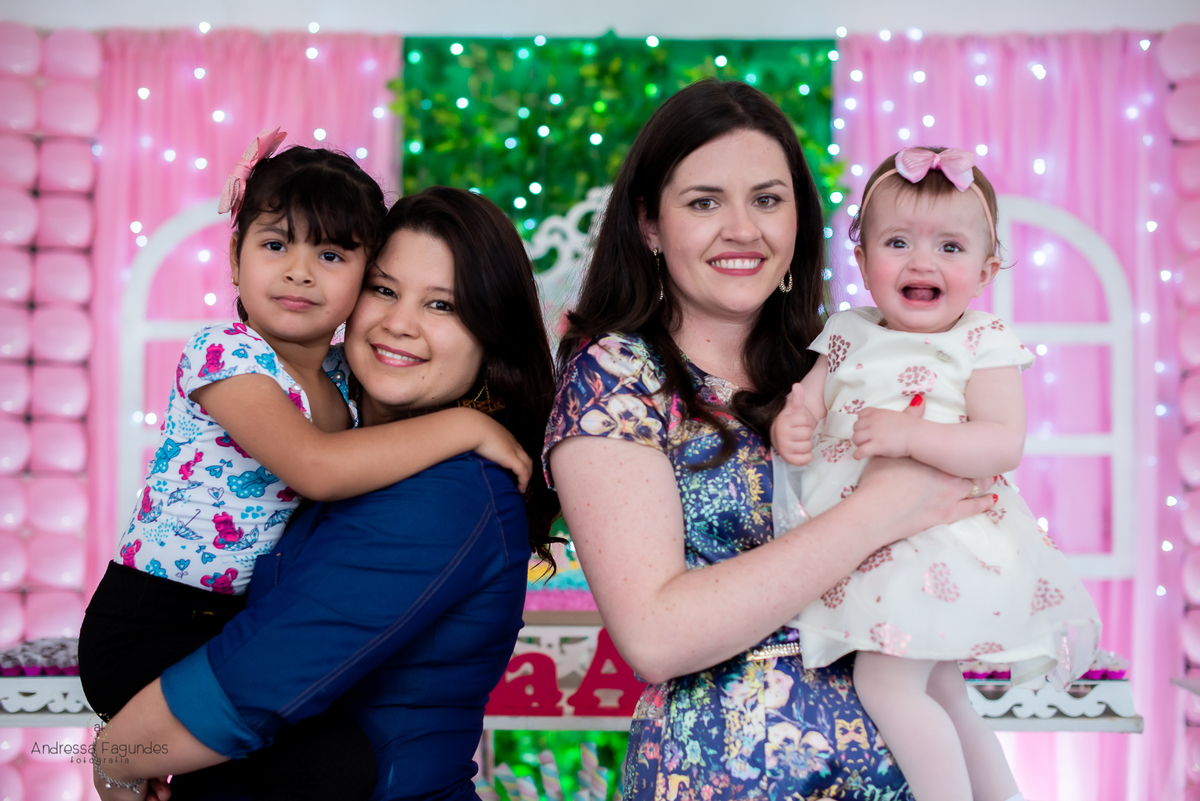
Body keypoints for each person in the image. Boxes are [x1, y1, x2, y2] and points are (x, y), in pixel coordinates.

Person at [544, 79, 1000, 800]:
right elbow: (655, 635)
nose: (742, 229)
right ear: (649, 224)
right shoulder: (618, 373)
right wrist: (878, 511)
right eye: (704, 202)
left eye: (766, 199)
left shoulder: (837, 360)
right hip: (726, 777)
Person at [84, 156, 546, 796]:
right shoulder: (271, 375)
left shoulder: (449, 489)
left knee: (335, 760)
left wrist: (118, 756)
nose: (399, 324)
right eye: (385, 290)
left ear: (492, 333)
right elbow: (318, 469)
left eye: (442, 304)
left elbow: (260, 674)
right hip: (152, 618)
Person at [770, 146, 1100, 801]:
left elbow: (1002, 442)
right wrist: (793, 424)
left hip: (934, 545)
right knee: (944, 688)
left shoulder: (980, 340)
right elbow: (807, 400)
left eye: (950, 247)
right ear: (862, 259)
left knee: (884, 683)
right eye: (897, 242)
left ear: (985, 271)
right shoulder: (847, 331)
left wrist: (912, 435)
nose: (922, 262)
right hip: (866, 539)